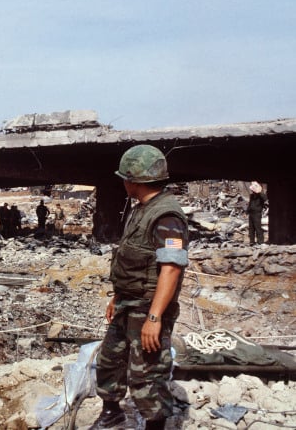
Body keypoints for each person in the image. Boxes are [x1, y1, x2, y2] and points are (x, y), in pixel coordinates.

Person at [92, 145, 188, 430]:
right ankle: (112, 413)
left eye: (125, 177)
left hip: (147, 308)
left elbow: (171, 269)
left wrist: (155, 318)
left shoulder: (166, 216)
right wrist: (117, 297)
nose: (123, 182)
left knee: (147, 374)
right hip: (127, 305)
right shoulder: (141, 210)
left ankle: (155, 425)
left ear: (134, 180)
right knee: (109, 360)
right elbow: (132, 259)